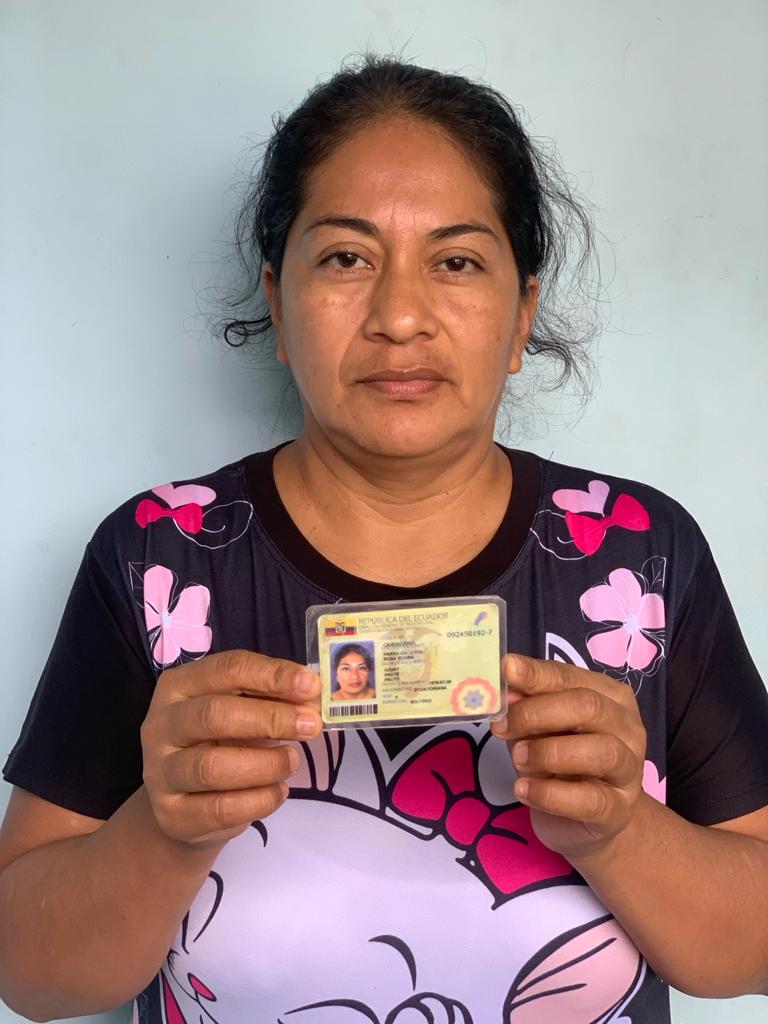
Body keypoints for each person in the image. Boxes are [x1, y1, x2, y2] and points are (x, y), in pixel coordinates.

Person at [1, 51, 767, 1024]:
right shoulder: (158, 559)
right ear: (277, 303)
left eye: (456, 261)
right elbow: (27, 975)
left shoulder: (641, 557)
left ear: (522, 312)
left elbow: (751, 954)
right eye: (345, 258)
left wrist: (622, 831)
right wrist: (161, 831)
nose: (400, 318)